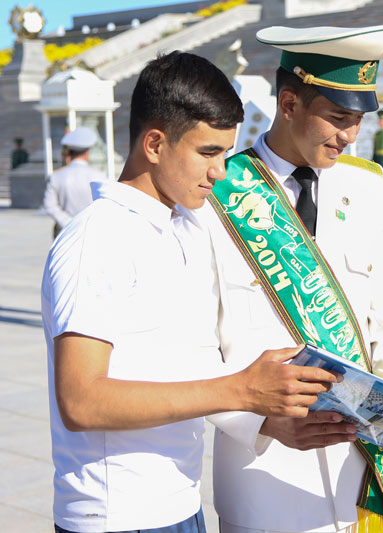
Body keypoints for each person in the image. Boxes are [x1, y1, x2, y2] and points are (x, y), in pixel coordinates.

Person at [41, 51, 340, 533]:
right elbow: (80, 401)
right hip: (116, 515)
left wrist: (265, 416)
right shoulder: (97, 238)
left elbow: (183, 362)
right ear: (155, 143)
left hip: (179, 502)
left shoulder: (184, 225)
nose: (220, 171)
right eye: (208, 152)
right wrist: (241, 389)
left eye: (225, 152)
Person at [200, 24, 383, 533]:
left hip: (362, 476)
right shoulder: (216, 194)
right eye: (338, 118)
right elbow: (197, 348)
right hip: (266, 478)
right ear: (289, 103)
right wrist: (264, 422)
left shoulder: (366, 184)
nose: (350, 135)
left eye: (358, 119)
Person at [42, 127, 108, 236]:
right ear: (87, 153)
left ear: (69, 153)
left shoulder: (56, 176)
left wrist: (68, 222)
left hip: (65, 231)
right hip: (91, 230)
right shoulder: (100, 176)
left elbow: (49, 206)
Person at [372, 109, 383, 174]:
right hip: (378, 161)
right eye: (380, 120)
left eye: (382, 120)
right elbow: (375, 150)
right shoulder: (378, 134)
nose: (380, 122)